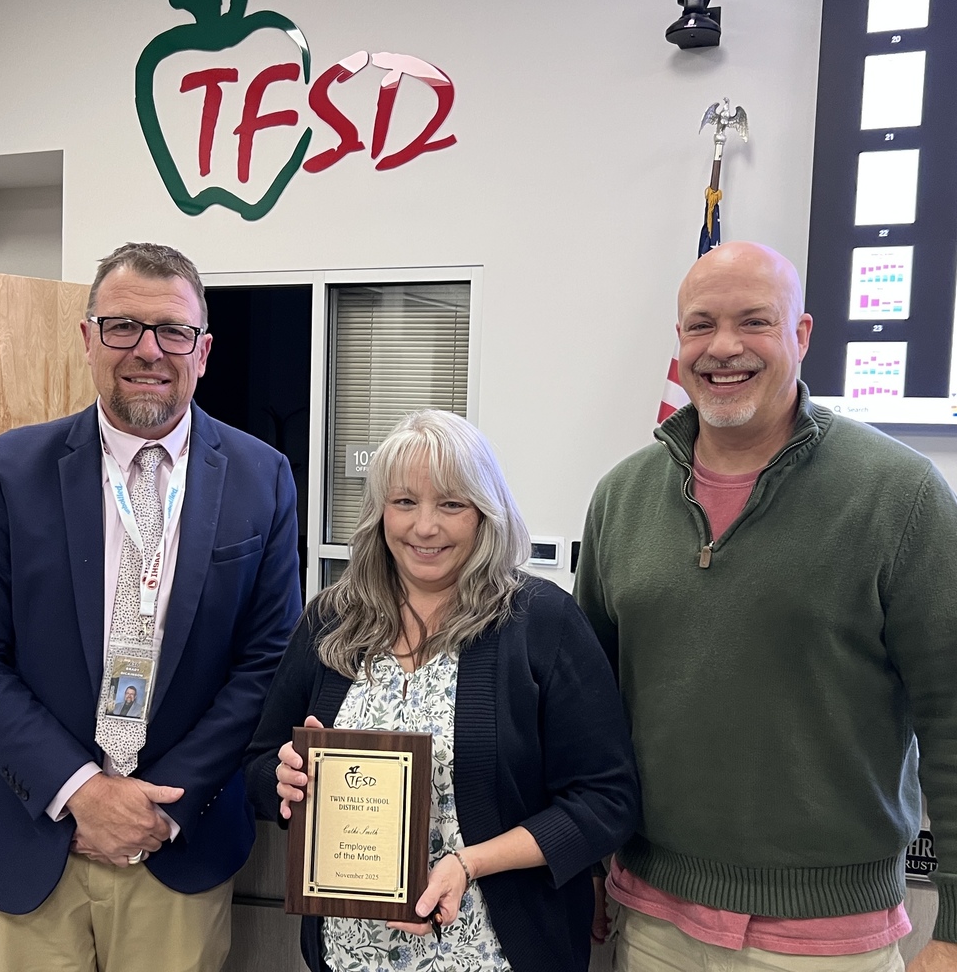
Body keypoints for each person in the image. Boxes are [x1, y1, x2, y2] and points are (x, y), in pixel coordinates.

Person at [574, 240, 957, 972]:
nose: (724, 347)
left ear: (802, 334)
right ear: (679, 340)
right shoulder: (621, 498)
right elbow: (586, 711)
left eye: (754, 321)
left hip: (830, 938)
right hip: (652, 920)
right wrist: (587, 863)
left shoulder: (900, 497)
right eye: (700, 325)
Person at [0, 241, 303, 972]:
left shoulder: (264, 478)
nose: (148, 350)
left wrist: (157, 806)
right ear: (87, 338)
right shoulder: (12, 470)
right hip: (25, 837)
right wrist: (80, 793)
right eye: (122, 327)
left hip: (178, 842)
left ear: (202, 351)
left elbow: (267, 664)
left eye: (172, 331)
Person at [244, 409, 640, 972]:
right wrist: (284, 781)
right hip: (350, 954)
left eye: (450, 504)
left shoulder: (541, 622)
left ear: (484, 513)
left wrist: (470, 862)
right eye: (404, 502)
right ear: (380, 511)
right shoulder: (332, 621)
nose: (424, 527)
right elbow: (260, 767)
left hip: (497, 951)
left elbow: (607, 800)